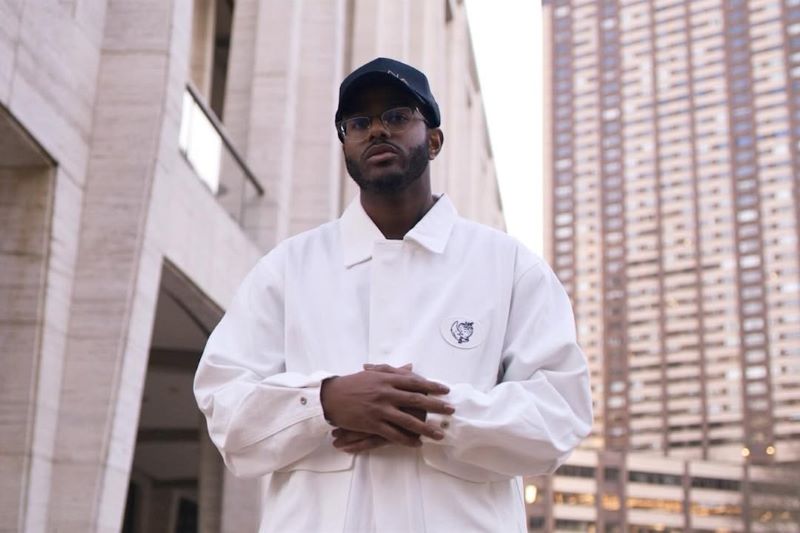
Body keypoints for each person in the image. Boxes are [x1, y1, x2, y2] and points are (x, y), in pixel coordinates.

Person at [194, 57, 592, 532]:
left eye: (397, 117)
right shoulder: (287, 268)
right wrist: (324, 401)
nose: (376, 131)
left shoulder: (507, 266)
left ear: (435, 139)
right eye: (358, 123)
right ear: (345, 146)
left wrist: (433, 414)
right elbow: (226, 413)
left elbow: (559, 418)